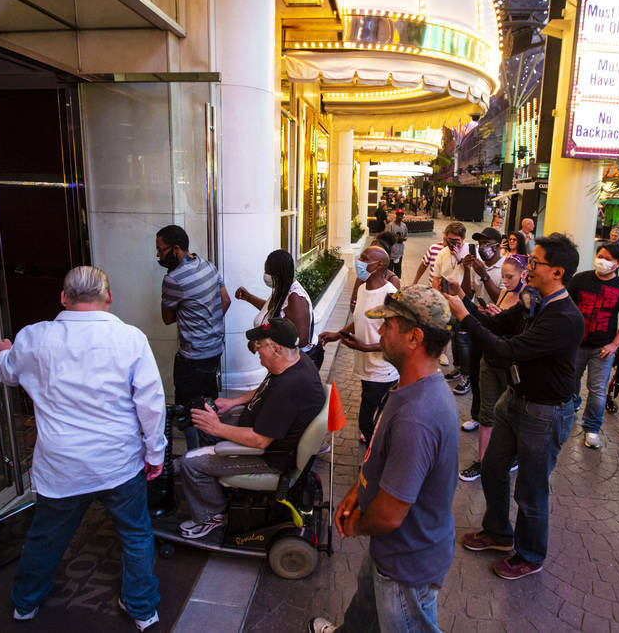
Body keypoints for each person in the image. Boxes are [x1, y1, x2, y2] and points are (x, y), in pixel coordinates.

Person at [0, 267, 166, 630]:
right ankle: (143, 609)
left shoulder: (35, 337)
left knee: (46, 536)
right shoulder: (130, 338)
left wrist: (2, 353)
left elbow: (7, 372)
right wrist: (155, 453)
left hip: (62, 466)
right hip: (118, 462)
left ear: (63, 298)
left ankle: (25, 603)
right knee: (135, 535)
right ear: (110, 296)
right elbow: (151, 403)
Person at [310, 287, 458, 633]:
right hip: (392, 553)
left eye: (388, 325)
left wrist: (358, 524)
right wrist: (357, 494)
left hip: (406, 564)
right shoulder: (411, 389)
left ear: (414, 337)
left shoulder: (417, 416)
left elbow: (390, 515)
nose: (380, 331)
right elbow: (383, 462)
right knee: (364, 612)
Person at [448, 234, 585, 580]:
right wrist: (465, 300)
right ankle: (497, 532)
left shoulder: (564, 318)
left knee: (531, 488)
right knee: (493, 468)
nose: (529, 268)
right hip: (516, 397)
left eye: (535, 263)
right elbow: (498, 324)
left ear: (557, 271)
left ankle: (530, 554)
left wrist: (464, 317)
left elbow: (507, 350)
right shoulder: (533, 300)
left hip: (545, 412)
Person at [179, 317, 324, 538]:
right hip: (258, 428)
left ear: (275, 348)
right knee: (205, 426)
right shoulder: (294, 362)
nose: (255, 349)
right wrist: (233, 403)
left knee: (189, 463)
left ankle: (211, 516)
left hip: (267, 457)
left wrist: (217, 428)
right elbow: (265, 388)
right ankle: (212, 487)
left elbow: (259, 441)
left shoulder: (289, 388)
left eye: (260, 345)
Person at [156, 224, 230, 451]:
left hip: (192, 357)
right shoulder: (207, 265)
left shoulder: (173, 279)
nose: (158, 255)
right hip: (215, 350)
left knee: (187, 410)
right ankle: (212, 449)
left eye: (161, 249)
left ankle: (194, 456)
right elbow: (226, 300)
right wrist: (209, 325)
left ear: (176, 249)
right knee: (208, 403)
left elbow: (167, 318)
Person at [320, 246, 399, 444]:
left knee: (367, 422)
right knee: (371, 421)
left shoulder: (391, 295)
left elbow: (397, 339)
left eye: (365, 258)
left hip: (383, 372)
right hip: (366, 368)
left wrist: (365, 347)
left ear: (379, 265)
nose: (359, 261)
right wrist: (337, 335)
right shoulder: (363, 289)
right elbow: (360, 319)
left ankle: (378, 457)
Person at [459, 254, 527, 481]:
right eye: (504, 276)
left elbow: (521, 338)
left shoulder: (528, 301)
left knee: (510, 414)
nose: (505, 281)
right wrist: (490, 315)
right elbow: (491, 326)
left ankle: (512, 455)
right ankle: (484, 462)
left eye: (510, 277)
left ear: (524, 275)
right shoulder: (507, 293)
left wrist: (499, 320)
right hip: (490, 360)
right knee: (487, 413)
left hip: (510, 367)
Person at [568, 241, 619, 449]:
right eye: (600, 256)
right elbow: (566, 306)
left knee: (597, 390)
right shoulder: (580, 280)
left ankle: (591, 428)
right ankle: (570, 409)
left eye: (608, 259)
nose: (602, 261)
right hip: (576, 344)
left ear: (617, 263)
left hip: (602, 348)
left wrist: (615, 344)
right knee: (570, 381)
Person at [235, 249, 321, 368]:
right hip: (285, 359)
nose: (265, 275)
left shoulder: (296, 298)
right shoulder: (281, 288)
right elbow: (272, 311)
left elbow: (301, 340)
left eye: (268, 272)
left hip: (300, 362)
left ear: (279, 274)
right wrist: (249, 298)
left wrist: (264, 342)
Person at [459, 228, 506, 422]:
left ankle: (496, 416)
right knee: (475, 370)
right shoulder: (478, 266)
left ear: (497, 245)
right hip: (478, 322)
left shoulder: (506, 268)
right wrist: (467, 270)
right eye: (480, 244)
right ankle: (477, 415)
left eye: (487, 243)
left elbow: (501, 299)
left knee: (494, 374)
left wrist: (484, 275)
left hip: (497, 326)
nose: (482, 247)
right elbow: (467, 294)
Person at [431, 222, 471, 394]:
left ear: (463, 239)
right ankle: (458, 367)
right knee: (453, 337)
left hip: (464, 304)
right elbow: (436, 278)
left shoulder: (470, 253)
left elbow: (472, 279)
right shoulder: (442, 253)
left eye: (456, 241)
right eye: (449, 240)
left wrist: (460, 259)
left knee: (463, 341)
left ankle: (467, 375)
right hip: (446, 303)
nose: (452, 244)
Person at [385, 209, 409, 278]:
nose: (400, 217)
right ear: (396, 215)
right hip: (391, 251)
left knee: (398, 270)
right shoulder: (390, 225)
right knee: (389, 270)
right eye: (399, 215)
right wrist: (395, 239)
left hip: (399, 251)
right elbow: (386, 236)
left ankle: (397, 283)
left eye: (401, 215)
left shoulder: (404, 226)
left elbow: (406, 236)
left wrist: (402, 239)